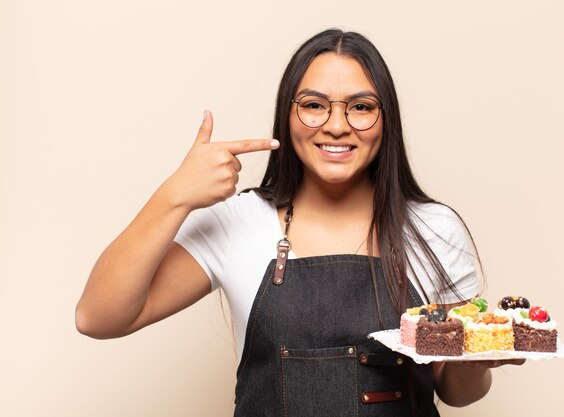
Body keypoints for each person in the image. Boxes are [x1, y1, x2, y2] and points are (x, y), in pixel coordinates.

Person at [76, 29, 523, 416]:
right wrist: (174, 195)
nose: (336, 126)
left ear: (386, 121)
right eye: (314, 105)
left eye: (361, 107)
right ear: (288, 116)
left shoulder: (433, 228)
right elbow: (98, 317)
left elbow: (458, 393)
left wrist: (474, 361)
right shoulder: (240, 221)